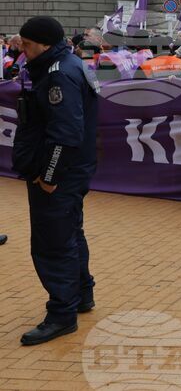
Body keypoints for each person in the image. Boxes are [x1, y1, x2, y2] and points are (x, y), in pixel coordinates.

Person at [12, 17, 100, 346]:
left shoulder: (58, 74)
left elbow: (64, 132)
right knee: (70, 232)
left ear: (45, 44)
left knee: (53, 243)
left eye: (28, 44)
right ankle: (80, 294)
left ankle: (61, 314)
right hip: (73, 169)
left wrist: (49, 176)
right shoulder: (67, 64)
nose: (23, 49)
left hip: (60, 173)